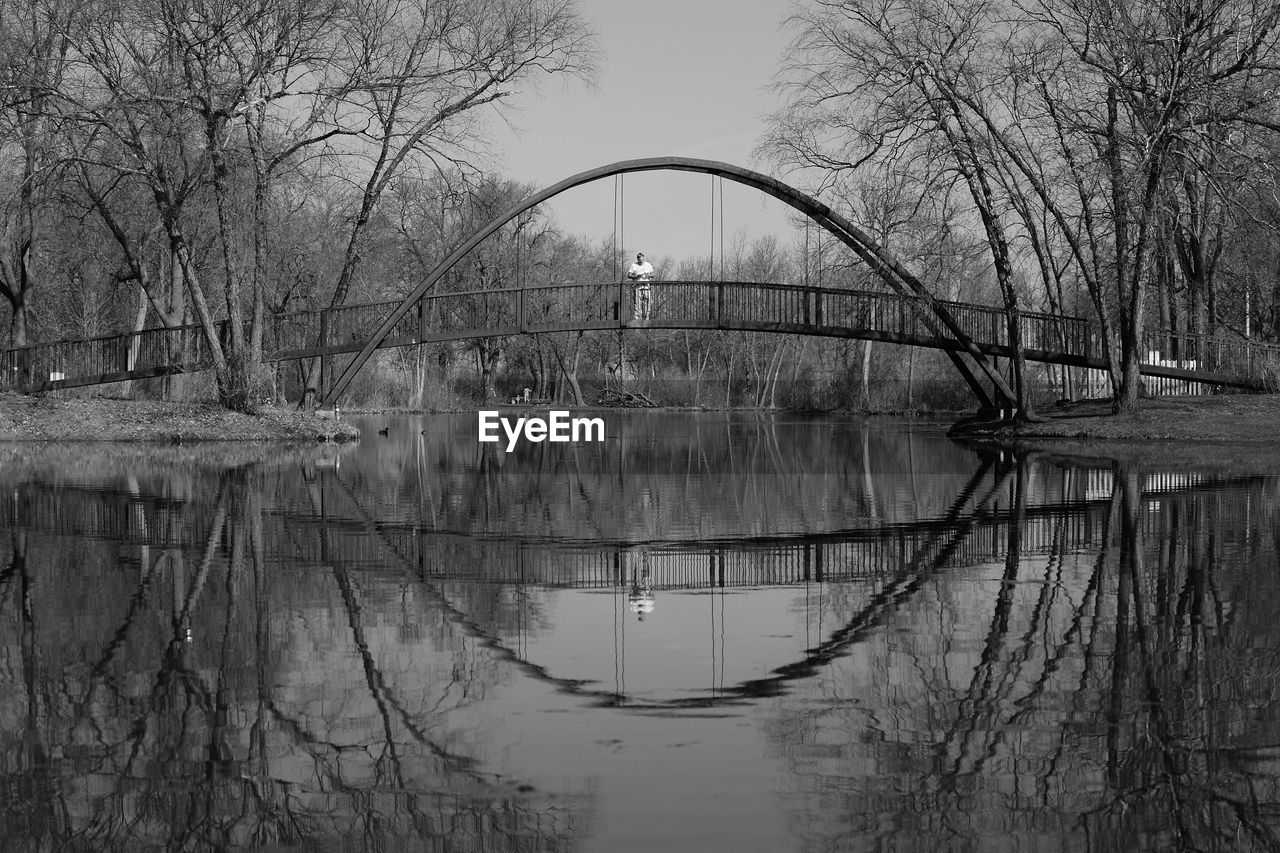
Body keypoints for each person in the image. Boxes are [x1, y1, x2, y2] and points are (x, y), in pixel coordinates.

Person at [626, 252, 654, 323]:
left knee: (647, 302)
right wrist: (636, 276)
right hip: (637, 286)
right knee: (637, 303)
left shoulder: (648, 265)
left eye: (641, 258)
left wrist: (648, 275)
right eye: (638, 258)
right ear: (637, 258)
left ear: (643, 258)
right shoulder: (634, 265)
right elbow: (629, 275)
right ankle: (638, 319)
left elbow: (653, 274)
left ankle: (647, 317)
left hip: (646, 287)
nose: (640, 259)